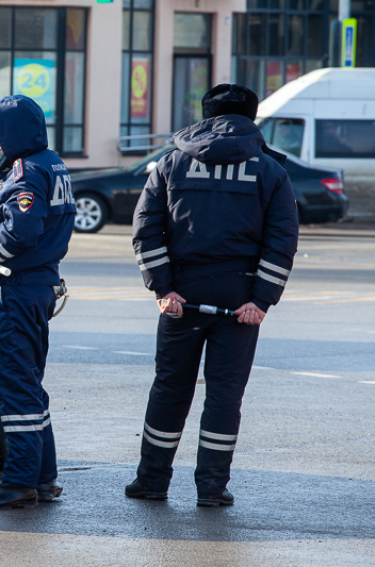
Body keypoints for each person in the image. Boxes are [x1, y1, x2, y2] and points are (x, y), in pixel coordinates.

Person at [126, 84, 298, 507]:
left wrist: (163, 289)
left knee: (169, 389)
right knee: (224, 395)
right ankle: (212, 489)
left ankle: (150, 482)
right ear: (251, 119)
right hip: (240, 301)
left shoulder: (170, 163)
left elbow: (146, 229)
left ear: (205, 115)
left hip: (181, 297)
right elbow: (282, 241)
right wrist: (260, 300)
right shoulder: (271, 170)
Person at [0, 94, 76, 510]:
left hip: (14, 290)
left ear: (10, 134)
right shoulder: (48, 163)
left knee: (15, 388)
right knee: (29, 386)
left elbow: (19, 231)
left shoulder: (27, 174)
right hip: (35, 288)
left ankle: (20, 482)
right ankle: (43, 479)